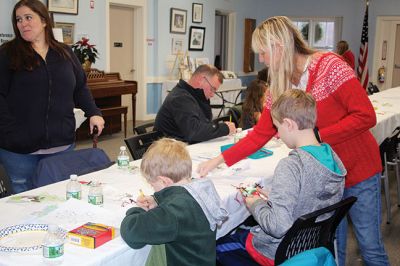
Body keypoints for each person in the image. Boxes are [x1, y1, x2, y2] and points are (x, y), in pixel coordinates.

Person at [198, 16, 389, 266]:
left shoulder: (331, 66)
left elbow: (366, 115)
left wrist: (318, 136)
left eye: (264, 53)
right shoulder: (280, 85)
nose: (262, 60)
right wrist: (219, 159)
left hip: (357, 168)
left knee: (369, 245)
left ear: (279, 46)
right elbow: (260, 133)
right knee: (333, 247)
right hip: (324, 178)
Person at [217, 89, 346, 265]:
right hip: (310, 247)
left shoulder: (291, 166)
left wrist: (255, 204)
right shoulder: (332, 158)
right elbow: (311, 199)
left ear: (289, 124)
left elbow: (278, 227)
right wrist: (274, 195)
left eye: (278, 128)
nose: (277, 134)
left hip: (277, 251)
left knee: (217, 244)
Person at [0, 0, 104, 194]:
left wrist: (94, 112)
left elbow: (80, 87)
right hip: (19, 151)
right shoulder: (7, 53)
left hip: (61, 146)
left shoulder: (65, 53)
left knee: (58, 198)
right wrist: (10, 129)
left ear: (44, 20)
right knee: (22, 203)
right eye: (19, 20)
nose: (23, 24)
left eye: (28, 17)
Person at [120, 138, 228, 266]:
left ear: (164, 181)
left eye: (153, 185)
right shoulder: (201, 190)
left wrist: (138, 210)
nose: (153, 189)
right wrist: (158, 200)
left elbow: (132, 234)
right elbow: (179, 199)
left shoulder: (173, 211)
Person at [154, 64, 236, 144]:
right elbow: (194, 132)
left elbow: (205, 124)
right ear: (201, 80)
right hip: (169, 150)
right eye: (212, 89)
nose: (212, 94)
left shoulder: (195, 95)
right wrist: (224, 128)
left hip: (183, 145)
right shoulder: (180, 98)